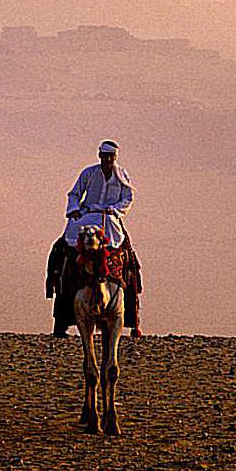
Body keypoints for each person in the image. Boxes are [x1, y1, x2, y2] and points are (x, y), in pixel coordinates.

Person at [47, 140, 142, 336]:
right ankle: (61, 317)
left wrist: (115, 210)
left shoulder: (122, 175)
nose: (107, 160)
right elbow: (74, 194)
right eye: (104, 156)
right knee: (62, 247)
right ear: (99, 156)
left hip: (110, 218)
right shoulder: (88, 173)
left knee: (128, 254)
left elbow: (128, 198)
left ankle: (131, 315)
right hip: (86, 215)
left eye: (111, 157)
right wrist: (74, 211)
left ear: (115, 157)